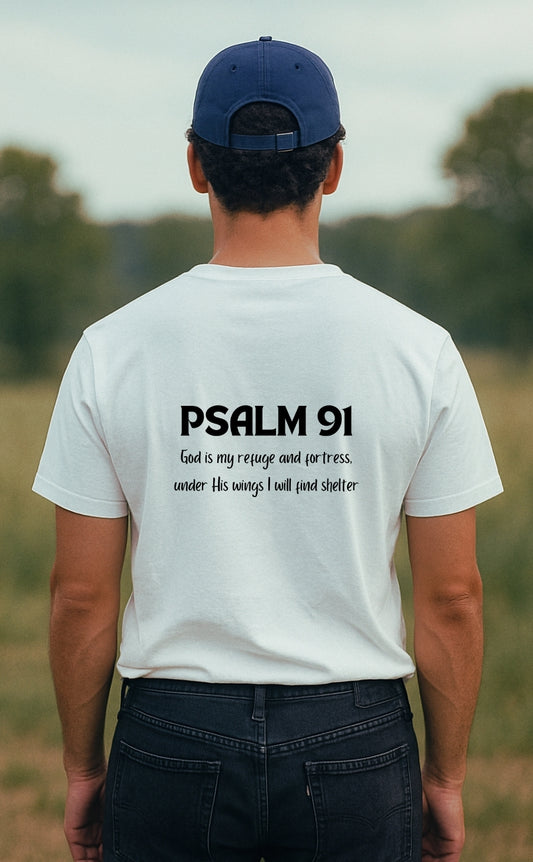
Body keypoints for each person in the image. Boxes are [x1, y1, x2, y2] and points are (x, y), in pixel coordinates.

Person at [33, 36, 503, 862]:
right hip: (354, 734)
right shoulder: (417, 350)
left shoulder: (112, 348)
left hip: (171, 731)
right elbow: (453, 595)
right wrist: (446, 780)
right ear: (333, 170)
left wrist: (82, 766)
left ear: (195, 166)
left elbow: (80, 593)